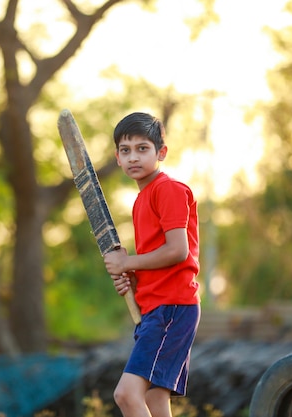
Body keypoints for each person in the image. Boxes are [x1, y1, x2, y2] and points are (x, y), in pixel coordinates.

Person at [103, 112, 201, 417]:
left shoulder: (168, 189)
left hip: (172, 308)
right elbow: (157, 259)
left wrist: (126, 262)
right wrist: (132, 277)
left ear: (161, 152)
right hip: (155, 307)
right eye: (125, 150)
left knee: (128, 395)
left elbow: (178, 251)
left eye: (142, 148)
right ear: (117, 158)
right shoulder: (142, 198)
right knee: (155, 401)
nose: (133, 157)